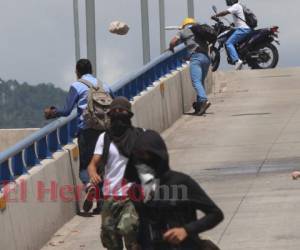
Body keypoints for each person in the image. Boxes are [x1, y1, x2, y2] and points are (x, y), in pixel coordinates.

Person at [125, 130, 224, 250]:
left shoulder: (181, 182)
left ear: (158, 155)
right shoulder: (136, 188)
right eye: (137, 156)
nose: (141, 160)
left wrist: (186, 230)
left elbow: (215, 214)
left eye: (146, 155)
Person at [44, 58, 112, 213]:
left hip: (87, 131)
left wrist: (53, 112)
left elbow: (67, 110)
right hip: (105, 131)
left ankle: (89, 185)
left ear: (77, 71)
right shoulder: (104, 85)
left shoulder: (77, 85)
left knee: (86, 165)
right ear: (92, 69)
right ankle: (100, 204)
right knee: (100, 166)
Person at [88, 97, 143, 250]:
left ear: (129, 115)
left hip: (131, 196)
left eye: (122, 111)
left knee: (129, 228)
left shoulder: (139, 135)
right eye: (115, 111)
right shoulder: (104, 138)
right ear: (110, 114)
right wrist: (93, 174)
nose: (118, 114)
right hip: (109, 197)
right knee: (110, 240)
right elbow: (92, 164)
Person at [169, 18, 211, 116]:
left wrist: (171, 48)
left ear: (184, 25)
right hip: (206, 58)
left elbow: (173, 42)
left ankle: (204, 99)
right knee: (200, 82)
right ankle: (200, 106)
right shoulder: (199, 31)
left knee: (196, 81)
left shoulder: (183, 31)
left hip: (196, 58)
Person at [212, 0, 252, 70]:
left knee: (228, 43)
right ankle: (239, 60)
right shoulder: (238, 6)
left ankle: (237, 61)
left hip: (243, 29)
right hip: (242, 28)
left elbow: (225, 12)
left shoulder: (236, 6)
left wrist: (216, 15)